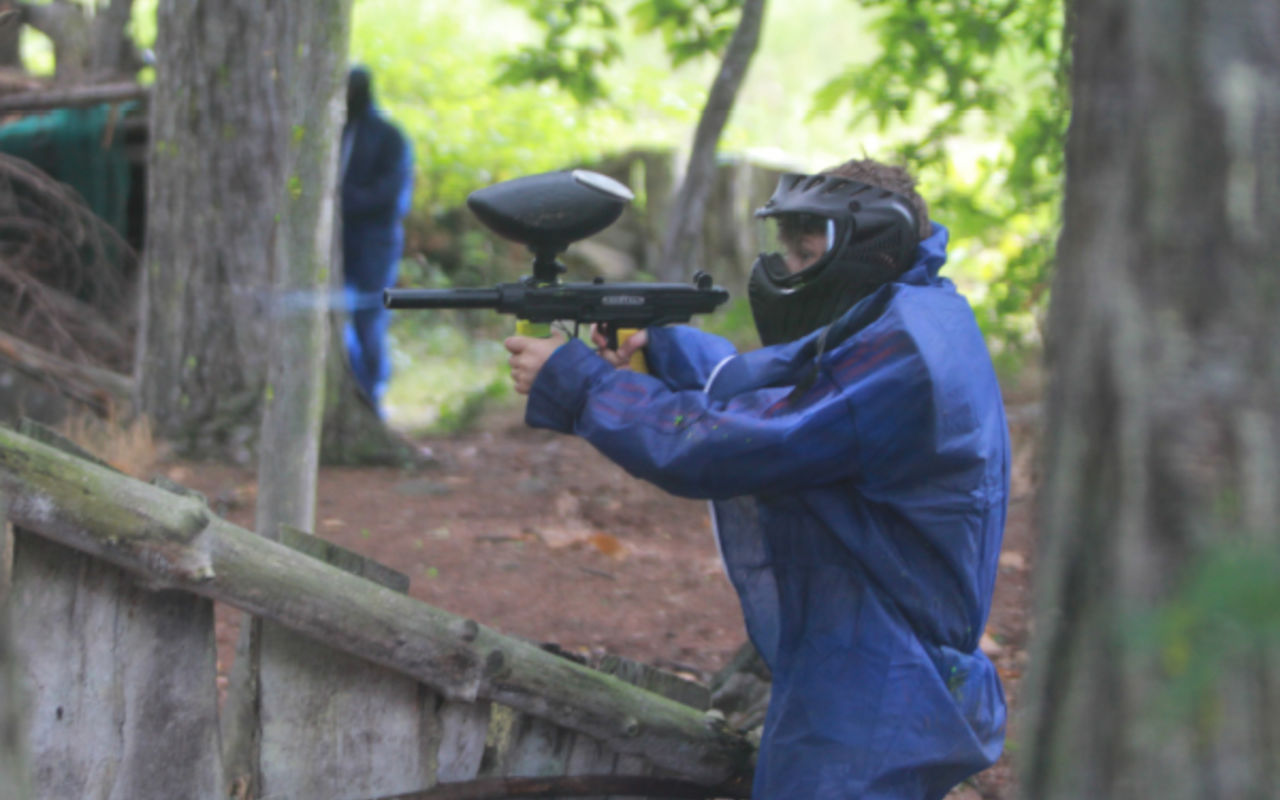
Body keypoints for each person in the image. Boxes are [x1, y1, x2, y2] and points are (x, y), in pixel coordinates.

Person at [504, 157, 1010, 799]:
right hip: (878, 646)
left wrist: (579, 385)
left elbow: (737, 445)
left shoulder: (903, 354)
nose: (790, 270)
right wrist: (661, 348)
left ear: (871, 245)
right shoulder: (913, 315)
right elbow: (784, 390)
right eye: (788, 250)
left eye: (807, 252)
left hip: (883, 677)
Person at [340, 65, 414, 416]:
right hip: (337, 241)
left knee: (368, 318)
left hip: (374, 242)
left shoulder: (387, 136)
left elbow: (392, 196)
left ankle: (371, 397)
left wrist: (342, 201)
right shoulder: (334, 133)